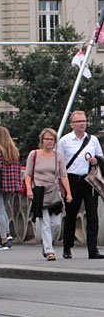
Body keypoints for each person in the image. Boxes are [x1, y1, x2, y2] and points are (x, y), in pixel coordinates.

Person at [58, 110, 104, 259]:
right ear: (72, 124)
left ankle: (93, 249)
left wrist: (96, 160)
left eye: (84, 121)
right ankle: (67, 247)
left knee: (92, 215)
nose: (82, 124)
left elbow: (101, 157)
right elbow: (60, 163)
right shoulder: (65, 141)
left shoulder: (93, 140)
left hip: (89, 180)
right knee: (71, 215)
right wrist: (63, 186)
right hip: (72, 180)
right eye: (79, 121)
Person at [25, 128, 72, 261]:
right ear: (42, 140)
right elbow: (28, 175)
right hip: (39, 191)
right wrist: (29, 189)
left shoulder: (58, 157)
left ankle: (46, 244)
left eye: (52, 139)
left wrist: (68, 193)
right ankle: (49, 250)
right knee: (45, 222)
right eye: (47, 139)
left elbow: (63, 176)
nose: (49, 142)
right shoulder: (33, 154)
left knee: (56, 223)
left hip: (54, 191)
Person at [0, 126, 21, 250]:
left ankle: (3, 239)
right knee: (3, 210)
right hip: (11, 184)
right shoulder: (13, 150)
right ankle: (7, 234)